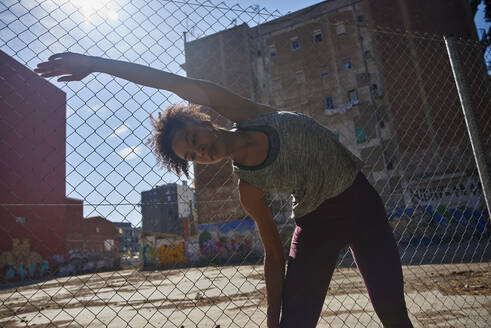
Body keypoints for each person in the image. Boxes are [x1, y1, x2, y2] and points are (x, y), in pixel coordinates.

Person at [35, 52, 414, 328]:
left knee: (392, 311)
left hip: (361, 202)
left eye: (192, 137)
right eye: (192, 154)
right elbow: (272, 252)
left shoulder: (246, 111)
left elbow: (169, 81)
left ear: (203, 119)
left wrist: (96, 64)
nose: (200, 149)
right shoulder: (249, 187)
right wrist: (271, 318)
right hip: (316, 224)